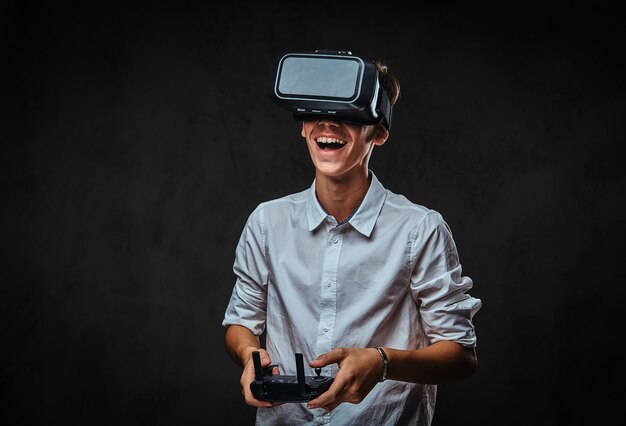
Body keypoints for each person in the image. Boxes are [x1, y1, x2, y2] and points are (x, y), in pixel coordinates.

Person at [222, 50, 482, 425]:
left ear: (379, 132)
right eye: (317, 112)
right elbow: (241, 321)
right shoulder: (266, 222)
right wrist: (250, 354)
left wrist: (382, 362)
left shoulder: (420, 230)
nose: (328, 124)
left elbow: (461, 355)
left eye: (348, 114)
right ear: (302, 126)